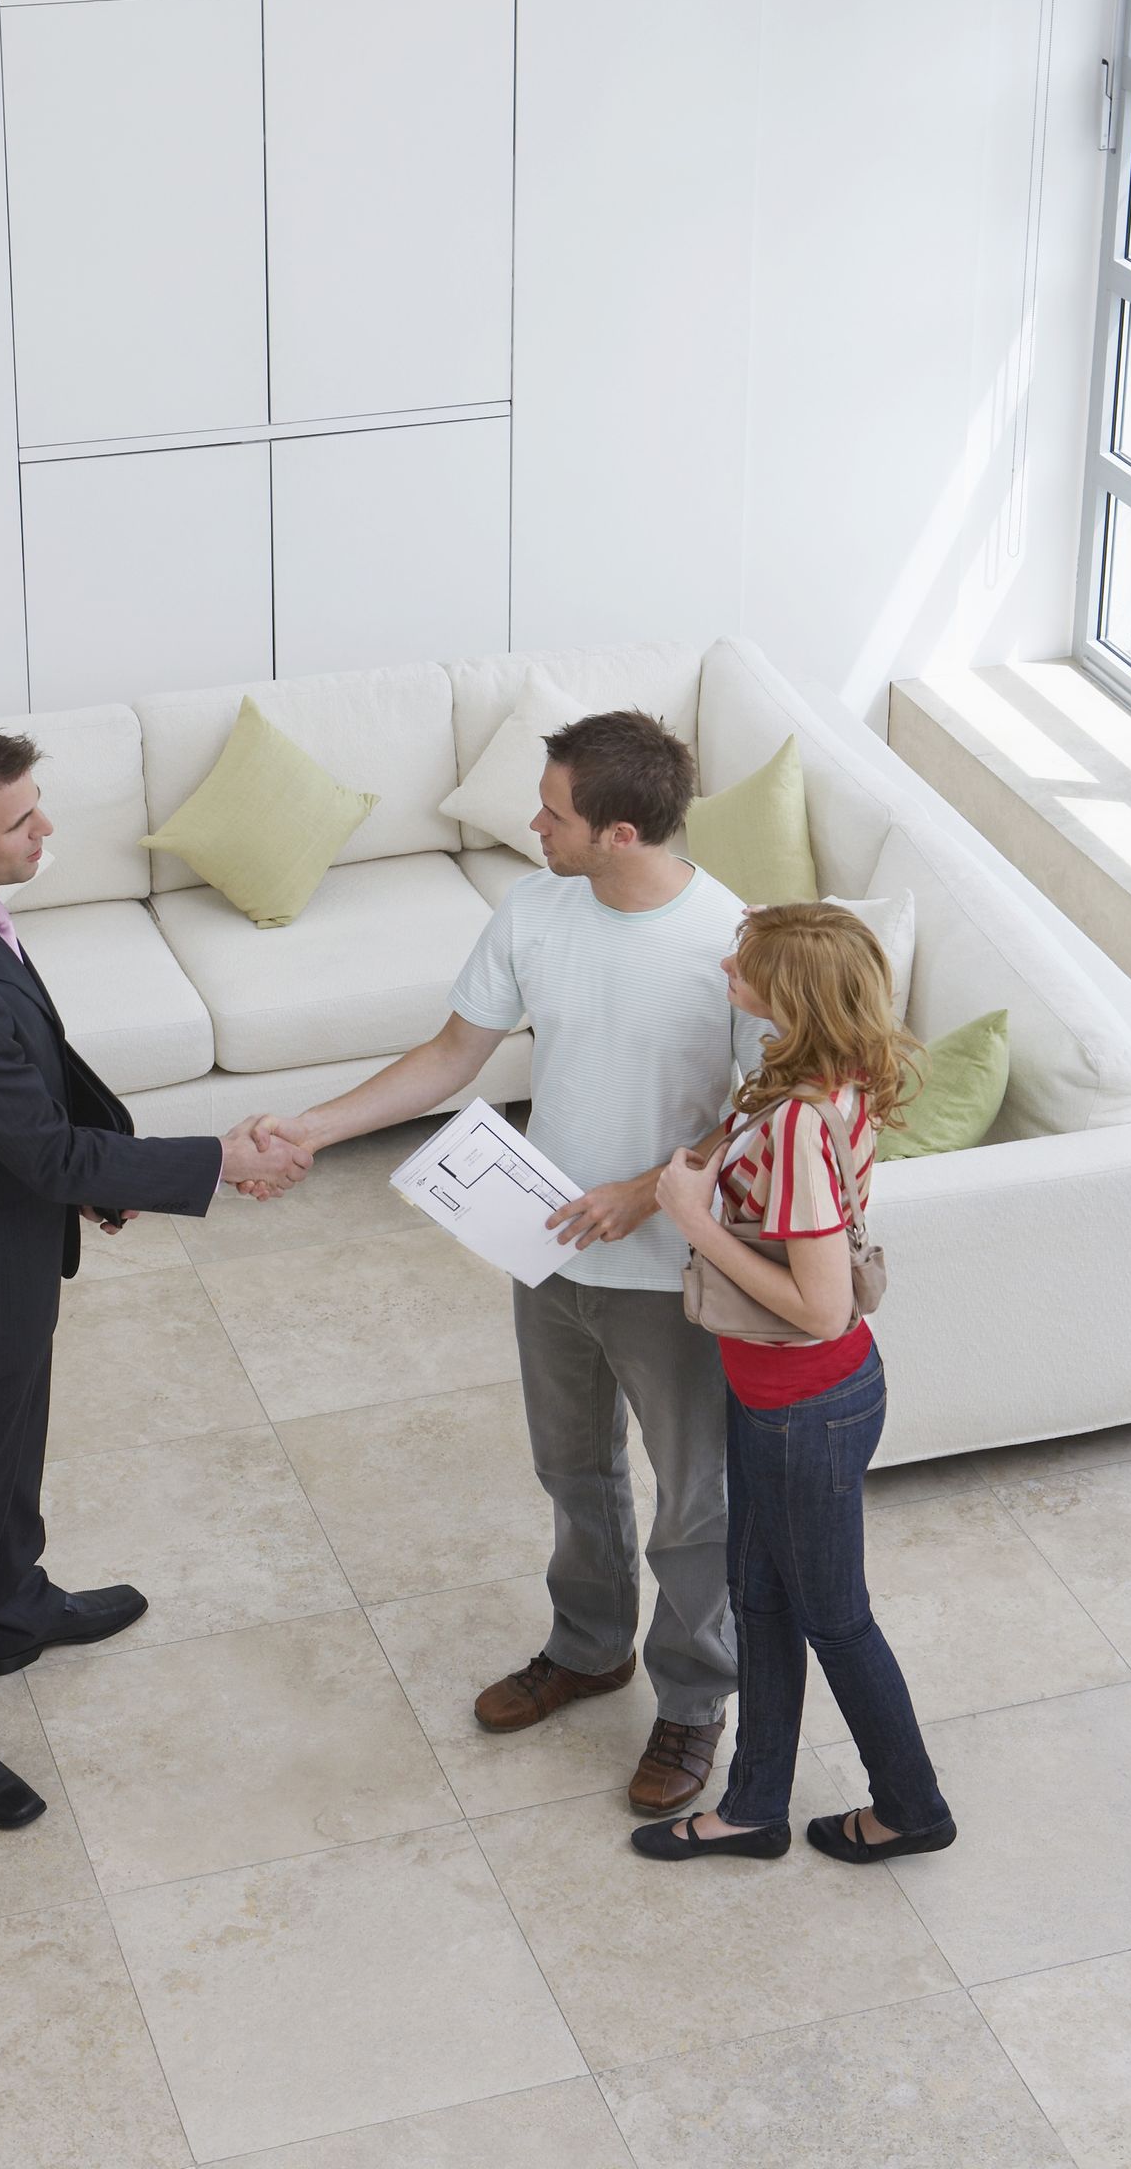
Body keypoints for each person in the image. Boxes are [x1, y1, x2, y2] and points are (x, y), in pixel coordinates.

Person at [259, 710, 766, 1817]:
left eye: (552, 811)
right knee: (573, 1472)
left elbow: (768, 1107)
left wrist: (649, 1185)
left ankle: (693, 1700)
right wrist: (313, 1129)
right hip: (543, 1252)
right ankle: (589, 1648)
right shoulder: (537, 906)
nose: (533, 823)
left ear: (621, 831)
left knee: (696, 1506)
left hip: (670, 1275)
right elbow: (451, 1055)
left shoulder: (735, 943)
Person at [0, 722, 306, 1831]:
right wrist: (212, 1161)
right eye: (21, 821)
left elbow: (29, 1074)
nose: (46, 828)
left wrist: (100, 1175)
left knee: (9, 1444)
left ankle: (11, 1608)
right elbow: (39, 1148)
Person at [634, 901, 955, 1866]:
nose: (728, 969)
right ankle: (753, 1807)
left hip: (804, 1405)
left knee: (833, 1617)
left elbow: (819, 1306)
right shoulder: (816, 1080)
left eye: (747, 964)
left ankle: (913, 1808)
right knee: (759, 1594)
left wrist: (692, 1222)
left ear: (794, 995)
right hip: (785, 1396)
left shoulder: (800, 1131)